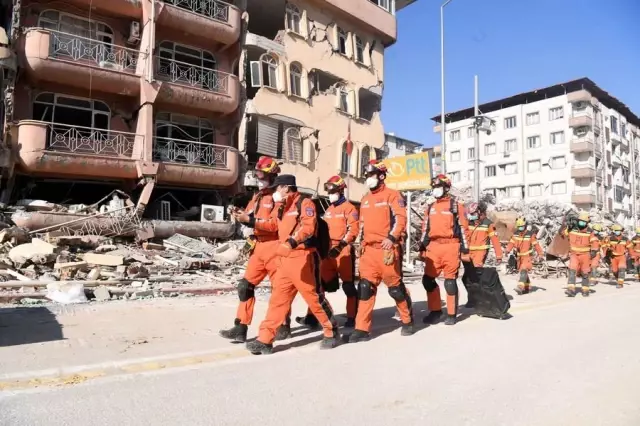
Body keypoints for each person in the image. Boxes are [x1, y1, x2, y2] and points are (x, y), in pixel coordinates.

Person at [246, 175, 339, 355]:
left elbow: (308, 227)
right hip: (284, 259)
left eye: (276, 188)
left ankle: (331, 330)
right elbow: (273, 224)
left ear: (286, 188)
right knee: (277, 301)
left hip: (303, 258)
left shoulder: (305, 203)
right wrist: (250, 221)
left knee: (314, 298)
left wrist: (291, 242)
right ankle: (265, 340)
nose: (274, 192)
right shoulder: (281, 206)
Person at [220, 156, 288, 342]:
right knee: (245, 286)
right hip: (258, 246)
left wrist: (250, 220)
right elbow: (249, 214)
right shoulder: (257, 196)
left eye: (262, 174)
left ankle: (283, 324)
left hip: (275, 246)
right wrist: (239, 213)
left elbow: (275, 225)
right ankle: (240, 327)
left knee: (279, 289)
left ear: (273, 176)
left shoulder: (278, 198)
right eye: (257, 174)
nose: (258, 178)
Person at [349, 160, 413, 343]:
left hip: (387, 250)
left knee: (395, 289)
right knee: (364, 288)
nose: (368, 179)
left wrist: (392, 238)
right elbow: (362, 224)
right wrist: (360, 242)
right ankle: (362, 328)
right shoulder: (365, 199)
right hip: (368, 252)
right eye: (367, 176)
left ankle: (407, 320)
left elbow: (401, 219)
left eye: (371, 175)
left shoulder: (392, 196)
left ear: (381, 176)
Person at [295, 175, 360, 329]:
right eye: (329, 191)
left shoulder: (349, 208)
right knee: (319, 286)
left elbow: (354, 230)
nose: (330, 194)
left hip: (343, 251)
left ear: (341, 190)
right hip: (327, 252)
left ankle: (353, 317)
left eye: (333, 190)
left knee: (348, 287)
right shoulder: (329, 209)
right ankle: (312, 317)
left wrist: (341, 245)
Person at [419, 174, 469, 326]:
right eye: (434, 187)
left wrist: (465, 249)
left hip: (450, 246)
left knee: (449, 281)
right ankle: (435, 311)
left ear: (446, 188)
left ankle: (452, 314)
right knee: (427, 280)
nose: (435, 190)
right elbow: (425, 229)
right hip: (433, 247)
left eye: (438, 187)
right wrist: (422, 247)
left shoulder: (456, 205)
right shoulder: (430, 207)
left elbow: (463, 227)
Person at [462, 201, 503, 307]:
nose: (471, 216)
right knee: (465, 278)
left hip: (480, 253)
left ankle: (476, 299)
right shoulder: (469, 222)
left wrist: (499, 255)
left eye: (474, 214)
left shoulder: (488, 224)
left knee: (474, 276)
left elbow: (495, 240)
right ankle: (473, 297)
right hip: (468, 253)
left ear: (480, 212)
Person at [504, 217, 543, 295]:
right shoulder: (515, 234)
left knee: (523, 269)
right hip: (519, 257)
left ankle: (520, 286)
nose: (520, 228)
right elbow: (511, 243)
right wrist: (507, 250)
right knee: (522, 271)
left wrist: (540, 254)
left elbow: (536, 245)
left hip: (527, 256)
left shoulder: (530, 235)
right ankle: (527, 287)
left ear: (525, 225)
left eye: (522, 226)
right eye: (519, 227)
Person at [563, 212, 598, 297]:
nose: (581, 223)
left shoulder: (590, 231)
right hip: (574, 254)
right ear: (578, 221)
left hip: (585, 255)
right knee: (572, 270)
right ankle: (571, 289)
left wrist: (594, 250)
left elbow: (594, 241)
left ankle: (585, 290)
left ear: (587, 223)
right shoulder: (573, 229)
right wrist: (567, 226)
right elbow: (564, 234)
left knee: (585, 272)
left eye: (583, 222)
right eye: (580, 221)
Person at [606, 223, 628, 289]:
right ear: (614, 231)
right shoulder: (610, 239)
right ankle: (617, 278)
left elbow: (630, 247)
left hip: (622, 256)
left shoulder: (625, 239)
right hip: (613, 257)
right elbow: (607, 246)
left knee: (622, 268)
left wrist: (632, 256)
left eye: (618, 231)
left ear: (621, 231)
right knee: (614, 270)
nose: (617, 232)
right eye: (616, 231)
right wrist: (608, 252)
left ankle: (620, 283)